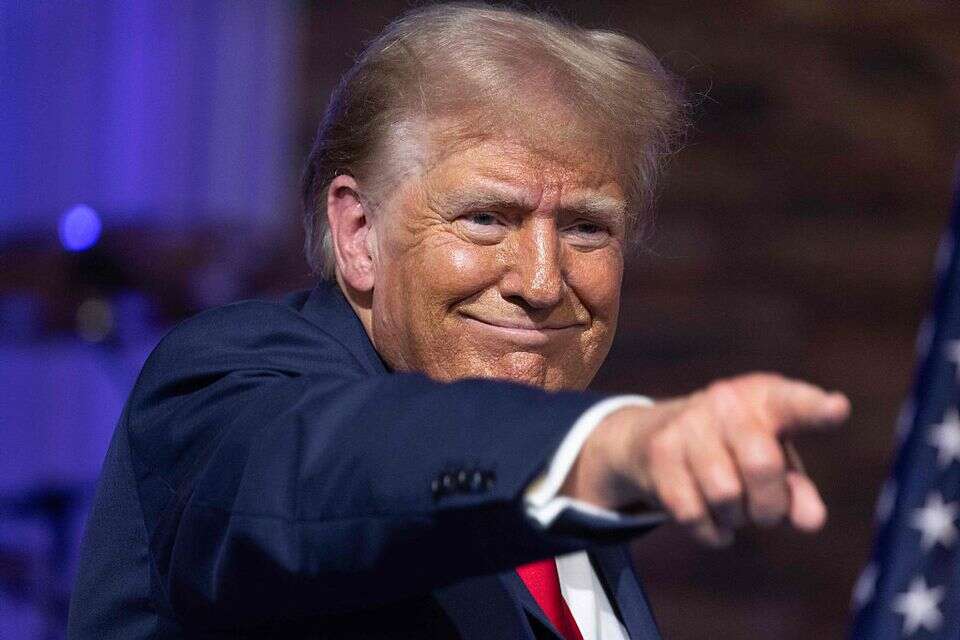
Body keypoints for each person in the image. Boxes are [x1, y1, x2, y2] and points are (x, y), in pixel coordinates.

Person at [68, 4, 850, 639]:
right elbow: (329, 466)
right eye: (485, 218)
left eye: (587, 228)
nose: (542, 282)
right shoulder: (231, 381)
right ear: (359, 234)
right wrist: (607, 445)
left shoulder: (572, 503)